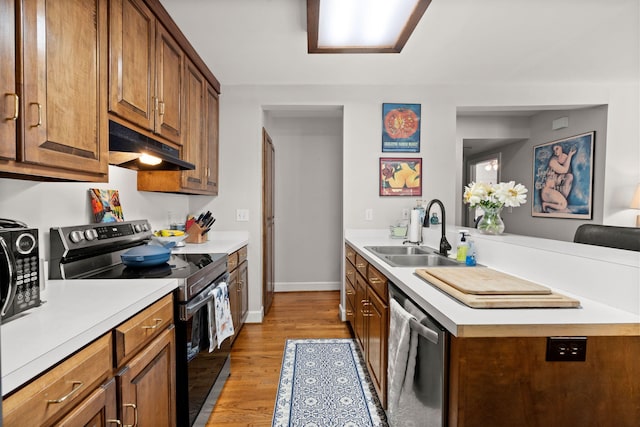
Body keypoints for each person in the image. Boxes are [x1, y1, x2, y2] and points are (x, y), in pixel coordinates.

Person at [541, 144, 576, 212]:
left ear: (561, 148)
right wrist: (570, 155)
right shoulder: (553, 162)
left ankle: (559, 201)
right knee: (563, 205)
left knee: (570, 176)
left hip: (554, 190)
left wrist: (568, 156)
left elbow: (566, 172)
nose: (555, 151)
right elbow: (565, 170)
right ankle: (545, 204)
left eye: (557, 148)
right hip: (547, 192)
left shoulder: (564, 158)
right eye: (554, 150)